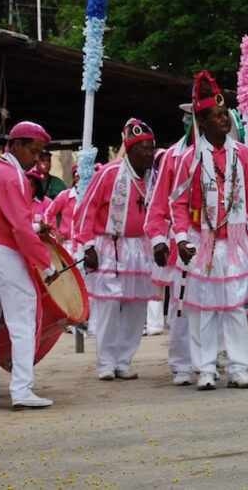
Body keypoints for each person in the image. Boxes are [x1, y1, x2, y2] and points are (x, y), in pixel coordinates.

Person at [167, 71, 248, 391]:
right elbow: (178, 203)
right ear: (202, 122)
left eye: (226, 115)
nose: (225, 121)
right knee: (204, 311)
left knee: (235, 308)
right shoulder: (189, 159)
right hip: (202, 244)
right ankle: (206, 369)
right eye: (217, 116)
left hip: (236, 243)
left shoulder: (242, 154)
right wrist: (181, 238)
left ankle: (239, 368)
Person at [0, 120, 55, 410]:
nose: (36, 159)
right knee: (22, 324)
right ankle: (21, 391)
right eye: (33, 151)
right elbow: (20, 227)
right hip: (7, 254)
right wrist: (45, 264)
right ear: (16, 145)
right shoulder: (15, 177)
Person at [75, 118, 160, 381]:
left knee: (136, 308)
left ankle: (124, 360)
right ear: (130, 149)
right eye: (144, 148)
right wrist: (87, 245)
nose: (149, 153)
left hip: (140, 248)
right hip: (109, 246)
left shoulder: (155, 177)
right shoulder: (110, 173)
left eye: (152, 148)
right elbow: (85, 210)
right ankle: (106, 362)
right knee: (109, 306)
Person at [144, 105, 197, 386]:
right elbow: (158, 206)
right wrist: (158, 239)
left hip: (219, 243)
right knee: (181, 305)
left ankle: (212, 358)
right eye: (189, 118)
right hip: (183, 242)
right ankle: (181, 364)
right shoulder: (172, 157)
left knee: (218, 304)